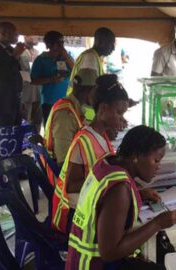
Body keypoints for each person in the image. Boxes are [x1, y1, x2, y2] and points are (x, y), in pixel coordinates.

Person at [66, 125, 176, 270]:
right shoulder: (120, 189)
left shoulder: (106, 163)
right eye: (156, 160)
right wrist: (157, 224)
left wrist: (138, 194)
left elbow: (102, 202)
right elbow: (109, 252)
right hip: (96, 265)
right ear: (135, 156)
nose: (158, 167)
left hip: (80, 259)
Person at [52, 74, 129, 234]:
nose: (122, 118)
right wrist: (109, 184)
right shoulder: (84, 140)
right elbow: (72, 186)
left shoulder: (102, 135)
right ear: (102, 109)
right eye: (119, 113)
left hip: (87, 203)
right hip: (73, 215)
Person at [44, 68, 97, 167]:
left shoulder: (74, 107)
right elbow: (63, 160)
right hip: (63, 173)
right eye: (95, 91)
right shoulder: (65, 114)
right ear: (85, 89)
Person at [31, 31, 74, 125]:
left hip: (67, 100)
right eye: (58, 43)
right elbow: (33, 80)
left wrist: (66, 56)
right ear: (49, 44)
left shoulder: (66, 57)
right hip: (49, 102)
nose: (61, 46)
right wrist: (51, 79)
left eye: (62, 42)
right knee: (50, 128)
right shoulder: (41, 59)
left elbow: (76, 70)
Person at [67, 27, 115, 96]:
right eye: (111, 44)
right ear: (100, 42)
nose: (113, 48)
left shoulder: (94, 56)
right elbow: (88, 90)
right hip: (81, 105)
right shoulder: (90, 58)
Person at [19, 35, 42, 131]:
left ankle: (35, 142)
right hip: (25, 93)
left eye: (36, 35)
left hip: (38, 92)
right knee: (25, 120)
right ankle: (25, 143)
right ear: (25, 36)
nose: (35, 37)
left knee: (37, 120)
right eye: (32, 35)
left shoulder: (37, 53)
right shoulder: (19, 53)